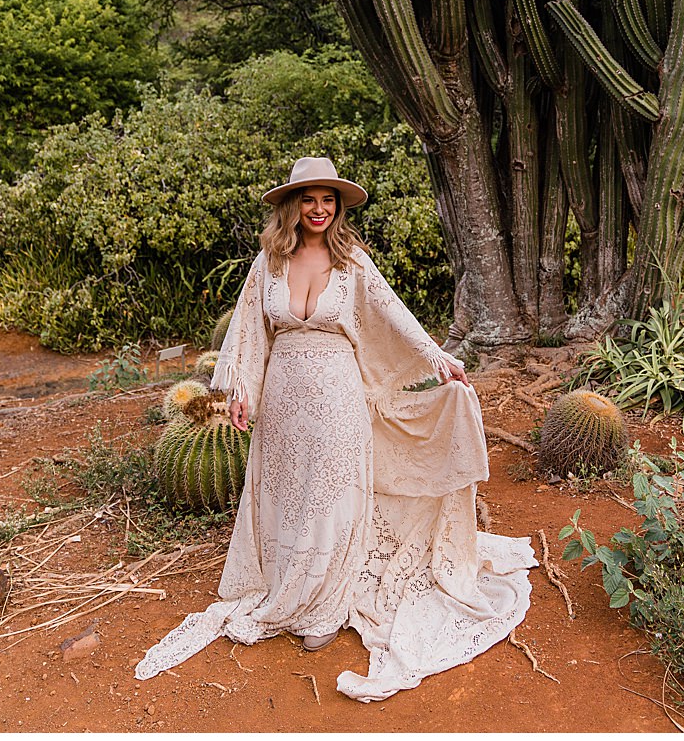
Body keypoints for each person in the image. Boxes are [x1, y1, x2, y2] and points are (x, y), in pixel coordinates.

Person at [135, 157, 534, 701]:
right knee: (288, 497)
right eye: (309, 198)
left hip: (338, 398)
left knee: (331, 498)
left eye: (329, 200)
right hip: (283, 402)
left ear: (338, 207)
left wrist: (436, 357)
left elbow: (394, 315)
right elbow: (250, 333)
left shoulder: (354, 263)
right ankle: (286, 589)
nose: (320, 209)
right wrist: (240, 392)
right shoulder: (266, 265)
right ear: (291, 205)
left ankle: (324, 603)